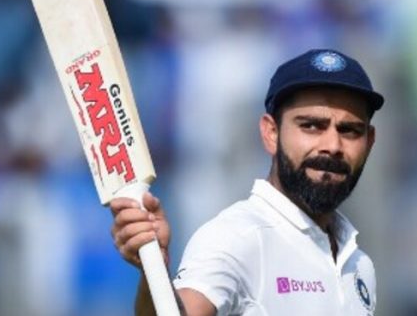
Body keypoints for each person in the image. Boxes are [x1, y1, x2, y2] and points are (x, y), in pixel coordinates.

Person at [111, 49, 384, 315]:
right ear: (271, 133)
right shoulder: (236, 237)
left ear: (369, 142)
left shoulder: (359, 265)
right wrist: (154, 273)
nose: (332, 145)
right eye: (311, 126)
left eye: (349, 130)